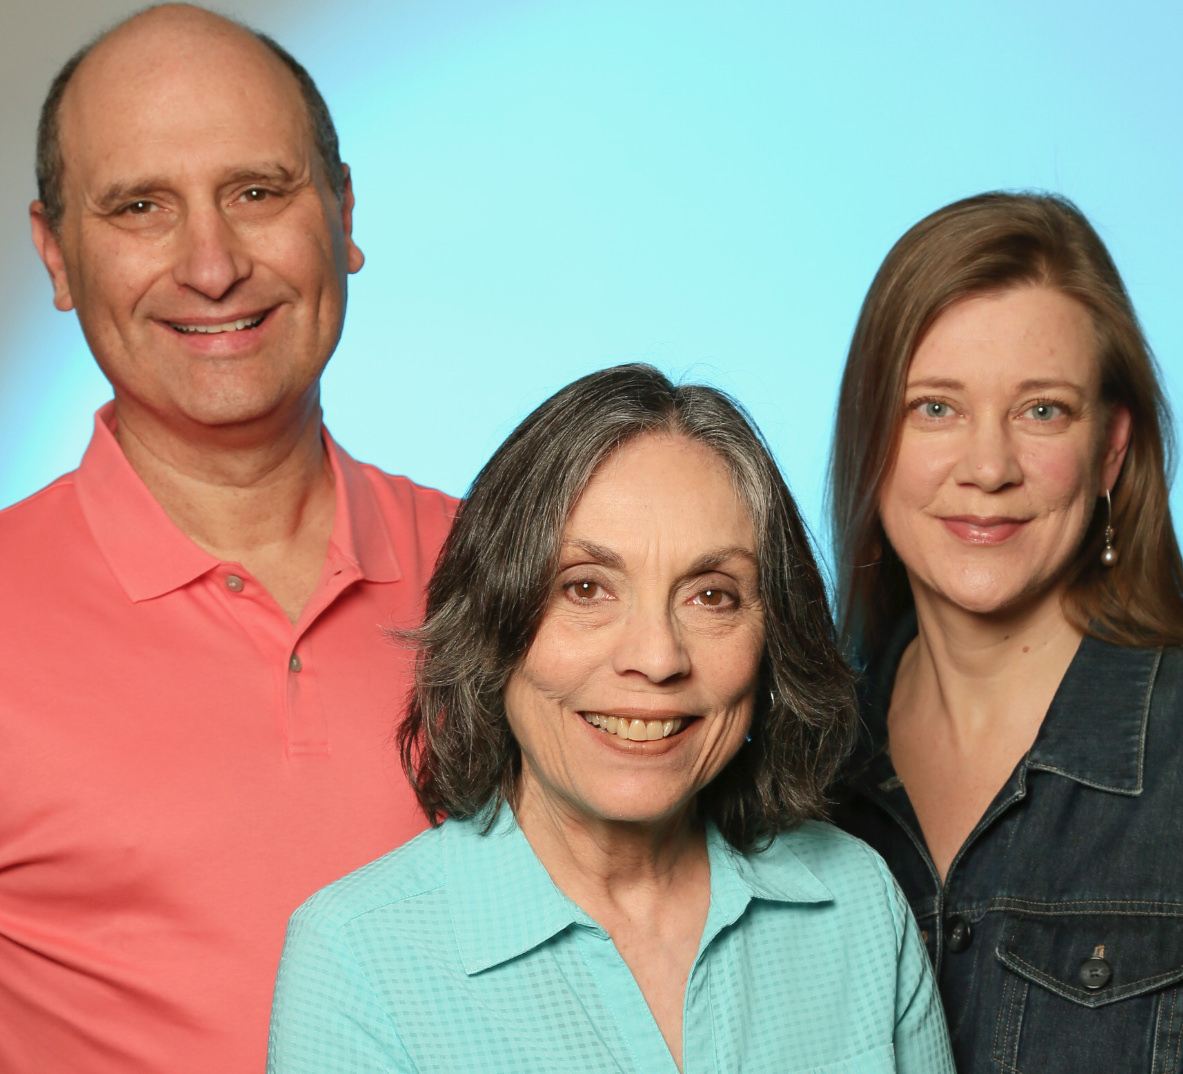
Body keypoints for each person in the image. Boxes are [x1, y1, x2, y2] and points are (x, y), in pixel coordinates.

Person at [267, 363, 955, 1073]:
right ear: (493, 619)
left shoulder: (857, 900)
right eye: (586, 588)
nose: (656, 659)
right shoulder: (359, 957)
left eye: (711, 595)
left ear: (774, 637)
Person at [1, 6, 456, 1072]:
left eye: (258, 193)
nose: (212, 265)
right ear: (56, 255)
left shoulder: (515, 577)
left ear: (341, 212)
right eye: (140, 207)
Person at [829, 192, 1183, 1073]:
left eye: (1041, 412)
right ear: (871, 440)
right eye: (935, 409)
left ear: (1109, 451)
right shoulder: (793, 765)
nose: (987, 468)